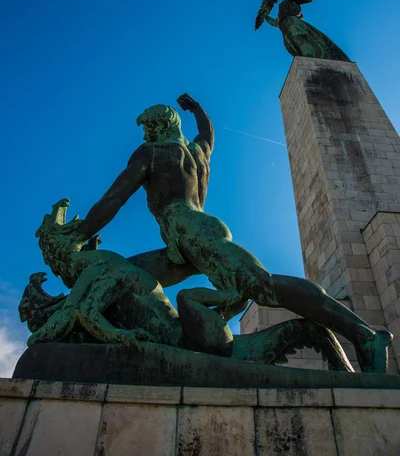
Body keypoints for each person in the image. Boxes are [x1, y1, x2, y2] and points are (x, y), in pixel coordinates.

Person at [78, 93, 392, 374]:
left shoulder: (153, 152)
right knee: (124, 274)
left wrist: (79, 231)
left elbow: (114, 198)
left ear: (160, 126)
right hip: (185, 238)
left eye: (148, 127)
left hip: (189, 229)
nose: (145, 134)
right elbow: (207, 134)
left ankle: (364, 335)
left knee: (263, 285)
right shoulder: (197, 151)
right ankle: (103, 332)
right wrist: (198, 109)